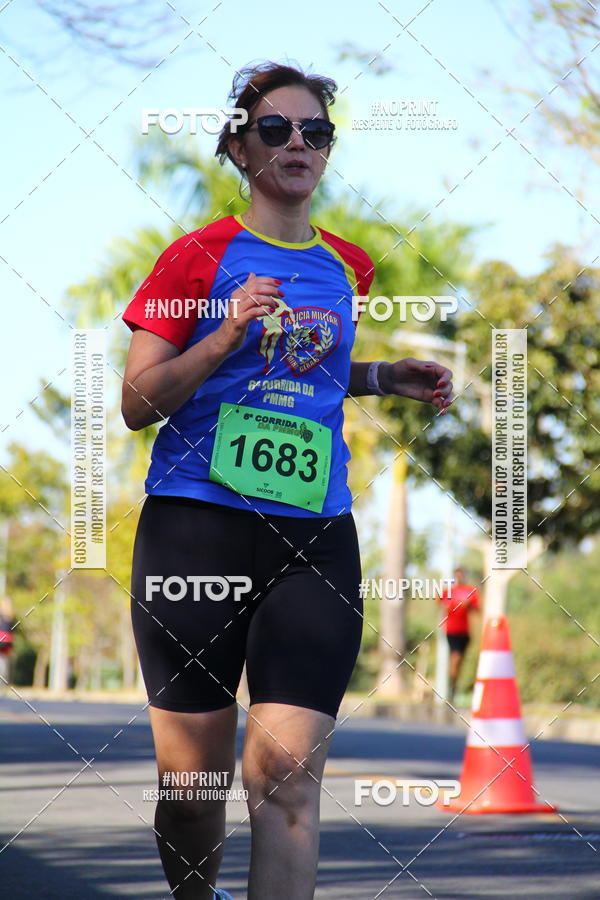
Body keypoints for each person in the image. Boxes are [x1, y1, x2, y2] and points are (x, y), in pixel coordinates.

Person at [121, 61, 454, 900]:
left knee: (286, 781)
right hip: (195, 529)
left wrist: (381, 378)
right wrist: (223, 336)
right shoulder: (193, 259)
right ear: (239, 145)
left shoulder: (349, 266)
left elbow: (306, 373)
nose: (298, 143)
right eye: (277, 129)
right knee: (192, 795)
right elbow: (135, 402)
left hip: (313, 536)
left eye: (316, 131)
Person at [439, 567, 480, 704]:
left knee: (460, 660)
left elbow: (477, 609)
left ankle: (455, 684)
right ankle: (451, 688)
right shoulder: (448, 592)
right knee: (455, 657)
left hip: (465, 631)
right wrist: (454, 605)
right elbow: (440, 604)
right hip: (452, 630)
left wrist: (467, 606)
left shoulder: (470, 591)